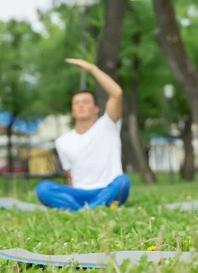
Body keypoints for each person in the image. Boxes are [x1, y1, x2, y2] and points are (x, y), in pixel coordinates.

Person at [35, 58, 131, 212]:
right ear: (73, 111)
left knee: (123, 182)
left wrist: (92, 69)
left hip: (106, 189)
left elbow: (116, 93)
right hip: (79, 193)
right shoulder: (63, 141)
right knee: (43, 188)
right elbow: (70, 175)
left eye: (86, 102)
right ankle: (92, 209)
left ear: (96, 109)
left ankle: (82, 211)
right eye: (77, 103)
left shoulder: (107, 125)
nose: (81, 105)